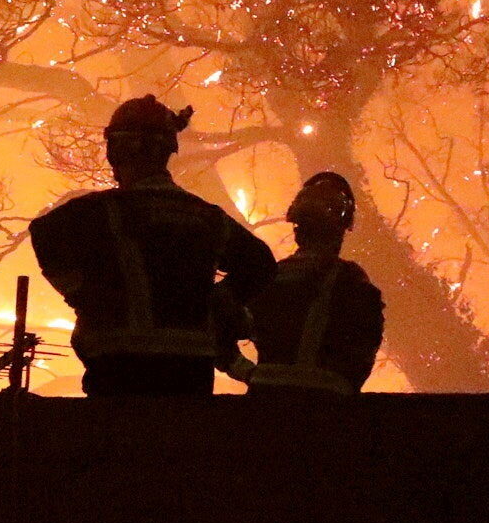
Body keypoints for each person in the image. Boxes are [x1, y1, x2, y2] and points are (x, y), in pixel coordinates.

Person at [31, 96, 278, 396]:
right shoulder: (205, 218)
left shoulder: (97, 212)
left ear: (118, 150)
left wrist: (80, 293)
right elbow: (261, 263)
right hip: (190, 373)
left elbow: (43, 233)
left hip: (117, 371)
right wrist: (218, 301)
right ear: (167, 151)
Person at [228, 171, 387, 395]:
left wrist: (247, 372)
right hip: (325, 408)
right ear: (340, 229)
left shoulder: (268, 278)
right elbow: (365, 347)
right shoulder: (352, 281)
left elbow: (220, 326)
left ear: (297, 229)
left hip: (263, 403)